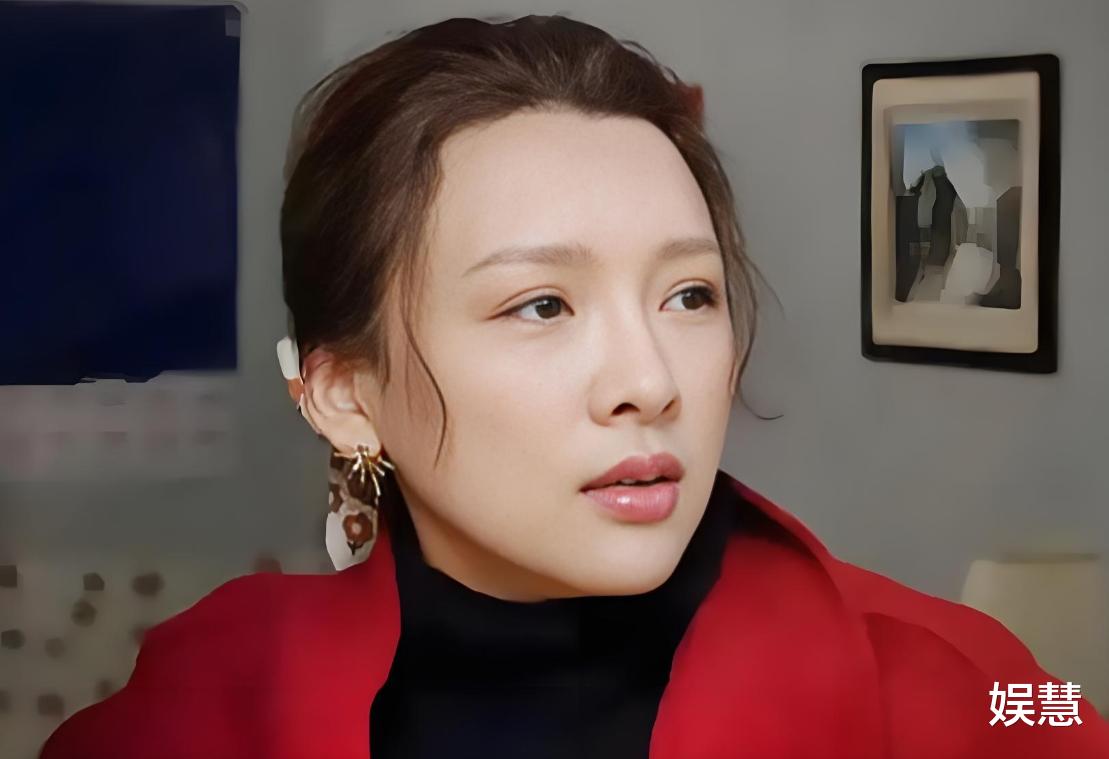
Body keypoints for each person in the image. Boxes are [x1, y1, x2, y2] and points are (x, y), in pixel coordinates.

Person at [40, 14, 1109, 759]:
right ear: (345, 394)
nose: (648, 381)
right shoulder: (196, 703)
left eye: (688, 295)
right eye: (542, 305)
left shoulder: (958, 690)